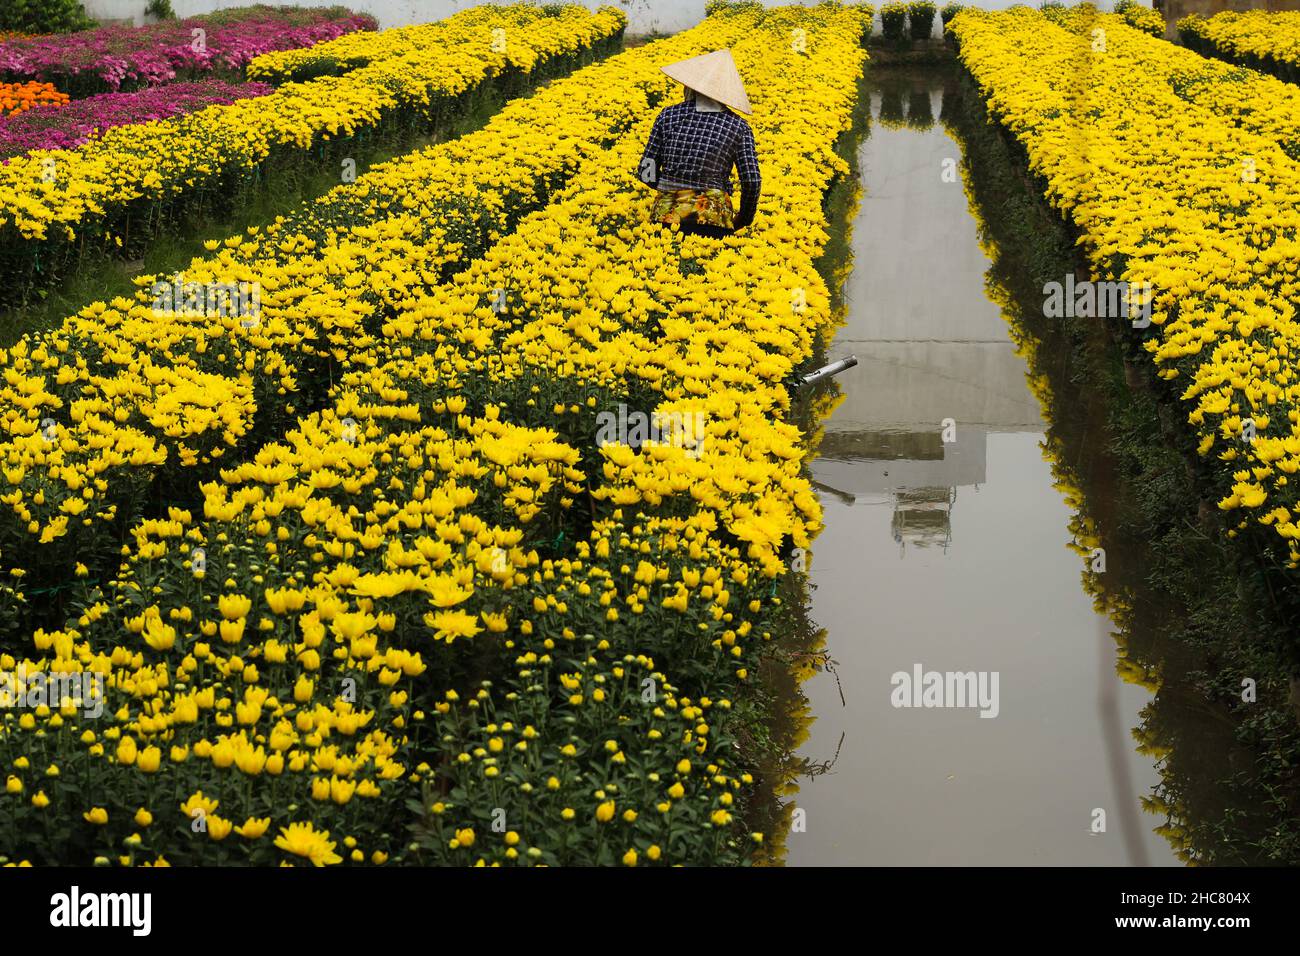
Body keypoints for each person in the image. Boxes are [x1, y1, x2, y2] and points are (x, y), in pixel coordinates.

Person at [636, 48, 761, 239]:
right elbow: (751, 181)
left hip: (665, 219)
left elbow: (646, 172)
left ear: (691, 86)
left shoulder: (667, 115)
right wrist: (743, 218)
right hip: (713, 220)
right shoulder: (739, 127)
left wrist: (672, 191)